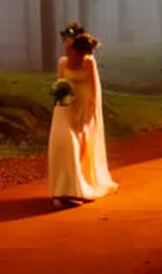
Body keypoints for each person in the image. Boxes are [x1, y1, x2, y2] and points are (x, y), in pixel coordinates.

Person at [48, 24, 118, 207]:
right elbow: (61, 83)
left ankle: (71, 189)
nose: (67, 46)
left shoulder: (88, 62)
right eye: (65, 42)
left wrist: (89, 113)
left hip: (83, 107)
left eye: (69, 42)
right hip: (65, 107)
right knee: (65, 144)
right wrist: (61, 102)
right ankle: (63, 190)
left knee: (81, 148)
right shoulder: (62, 62)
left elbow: (95, 88)